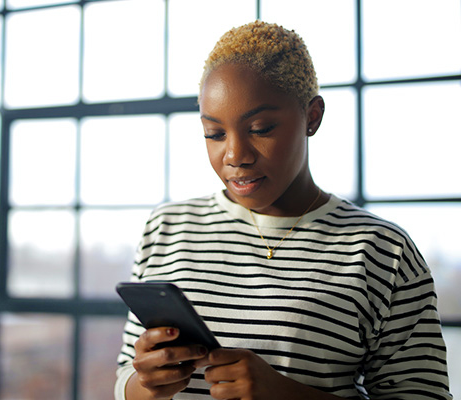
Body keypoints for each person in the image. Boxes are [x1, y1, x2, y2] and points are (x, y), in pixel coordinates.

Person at [115, 21, 452, 399]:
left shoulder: (382, 251)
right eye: (214, 133)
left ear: (312, 117)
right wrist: (145, 383)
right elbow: (126, 377)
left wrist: (286, 394)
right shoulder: (168, 227)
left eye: (260, 128)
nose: (235, 156)